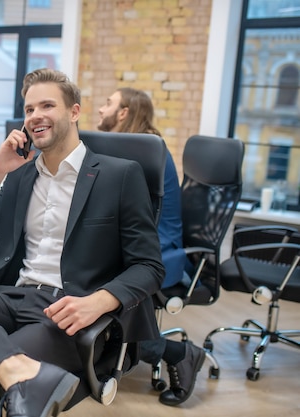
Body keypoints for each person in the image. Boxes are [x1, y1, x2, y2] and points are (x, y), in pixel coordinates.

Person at [0, 69, 164, 417]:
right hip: (11, 298)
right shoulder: (21, 176)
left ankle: (15, 371)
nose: (35, 115)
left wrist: (98, 301)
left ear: (74, 112)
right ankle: (20, 370)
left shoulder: (119, 174)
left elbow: (150, 266)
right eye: (29, 109)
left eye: (47, 105)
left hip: (66, 312)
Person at [97, 87, 206, 406]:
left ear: (124, 113)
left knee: (99, 277)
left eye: (108, 103)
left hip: (161, 246)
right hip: (138, 241)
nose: (101, 109)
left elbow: (131, 219)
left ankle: (175, 352)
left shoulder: (144, 150)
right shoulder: (126, 147)